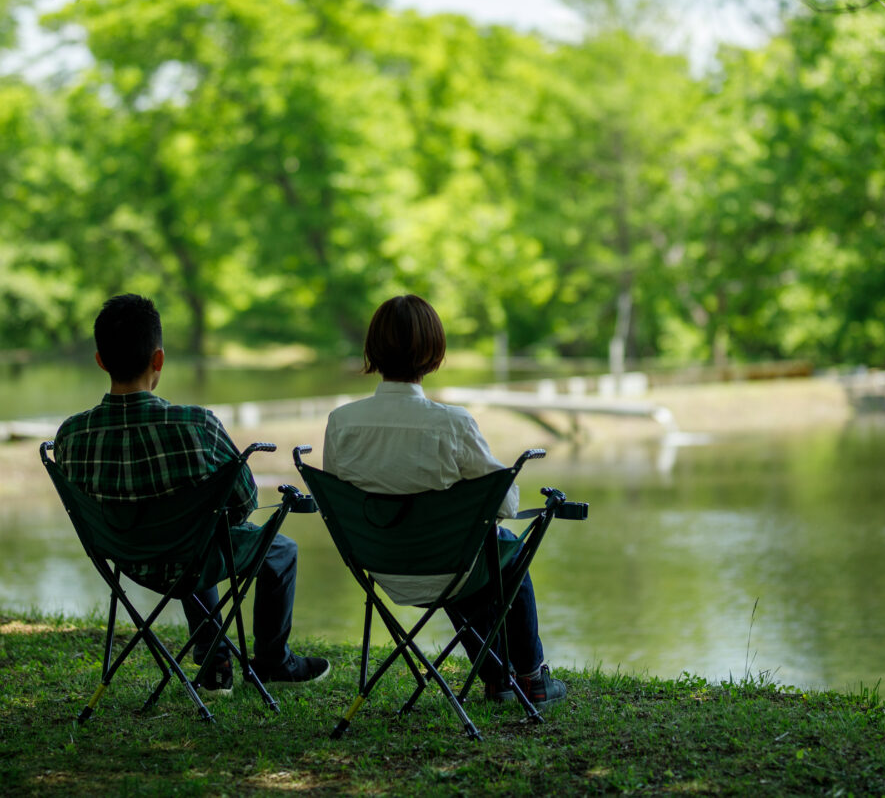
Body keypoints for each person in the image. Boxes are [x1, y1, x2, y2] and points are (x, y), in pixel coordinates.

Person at [53, 293, 329, 694]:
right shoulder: (195, 423)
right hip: (186, 557)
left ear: (100, 360)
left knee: (194, 533)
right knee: (273, 547)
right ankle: (273, 661)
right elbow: (244, 503)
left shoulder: (71, 435)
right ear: (159, 359)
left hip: (125, 558)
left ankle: (216, 664)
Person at [322, 293, 567, 709]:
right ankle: (531, 677)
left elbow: (339, 502)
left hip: (380, 569)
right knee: (504, 553)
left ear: (373, 349)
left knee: (466, 552)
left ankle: (496, 678)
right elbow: (504, 504)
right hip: (445, 570)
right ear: (433, 352)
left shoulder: (340, 423)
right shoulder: (452, 423)